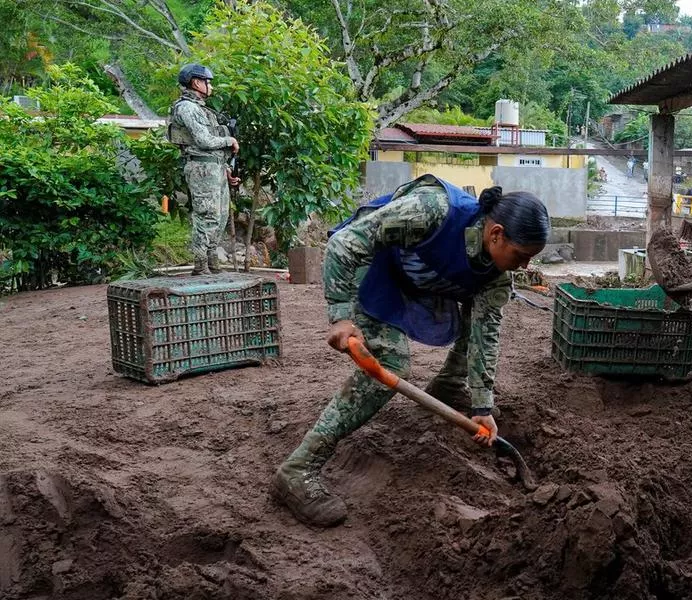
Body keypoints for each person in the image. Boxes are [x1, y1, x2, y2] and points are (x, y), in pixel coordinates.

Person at [271, 175, 550, 527]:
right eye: (521, 256)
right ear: (496, 234)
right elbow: (345, 243)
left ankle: (448, 388)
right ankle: (298, 469)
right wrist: (341, 315)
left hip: (419, 278)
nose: (525, 266)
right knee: (391, 362)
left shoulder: (495, 276)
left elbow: (485, 334)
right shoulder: (431, 210)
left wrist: (482, 405)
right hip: (372, 266)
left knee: (480, 316)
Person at [167, 63, 239, 275]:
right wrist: (229, 140)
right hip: (201, 168)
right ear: (196, 82)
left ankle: (212, 262)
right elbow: (203, 140)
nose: (211, 87)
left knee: (221, 215)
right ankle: (200, 265)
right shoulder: (186, 108)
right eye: (208, 82)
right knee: (207, 215)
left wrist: (226, 168)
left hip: (214, 168)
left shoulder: (201, 109)